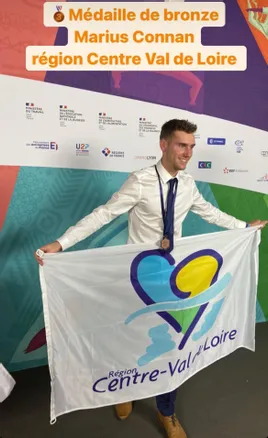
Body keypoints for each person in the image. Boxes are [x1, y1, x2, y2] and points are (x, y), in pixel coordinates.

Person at [35, 119, 267, 438]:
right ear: (164, 145)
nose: (187, 152)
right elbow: (104, 214)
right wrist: (61, 243)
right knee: (129, 339)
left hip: (171, 278)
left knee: (171, 346)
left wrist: (243, 228)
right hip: (136, 276)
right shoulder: (141, 181)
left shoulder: (187, 185)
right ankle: (124, 391)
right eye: (181, 145)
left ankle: (166, 412)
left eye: (191, 146)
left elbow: (210, 214)